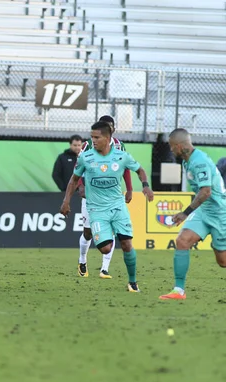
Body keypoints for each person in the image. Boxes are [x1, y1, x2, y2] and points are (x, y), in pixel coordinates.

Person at [60, 121, 154, 293]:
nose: (92, 141)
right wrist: (66, 201)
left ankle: (132, 282)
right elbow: (74, 179)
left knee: (126, 243)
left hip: (118, 206)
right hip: (96, 208)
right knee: (105, 248)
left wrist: (145, 185)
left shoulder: (121, 154)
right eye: (92, 137)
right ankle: (84, 260)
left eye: (97, 137)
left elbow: (139, 170)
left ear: (108, 137)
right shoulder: (85, 156)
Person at [159, 129, 226, 300]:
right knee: (182, 241)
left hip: (220, 212)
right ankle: (178, 290)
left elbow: (205, 192)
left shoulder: (199, 162)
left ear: (179, 146)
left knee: (223, 261)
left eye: (172, 147)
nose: (171, 150)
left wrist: (184, 213)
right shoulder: (187, 161)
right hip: (204, 211)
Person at [76, 115, 133, 279]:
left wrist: (129, 189)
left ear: (113, 129)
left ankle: (104, 269)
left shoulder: (119, 146)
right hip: (91, 195)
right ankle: (82, 261)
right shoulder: (88, 146)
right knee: (88, 233)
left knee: (112, 230)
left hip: (112, 196)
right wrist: (81, 186)